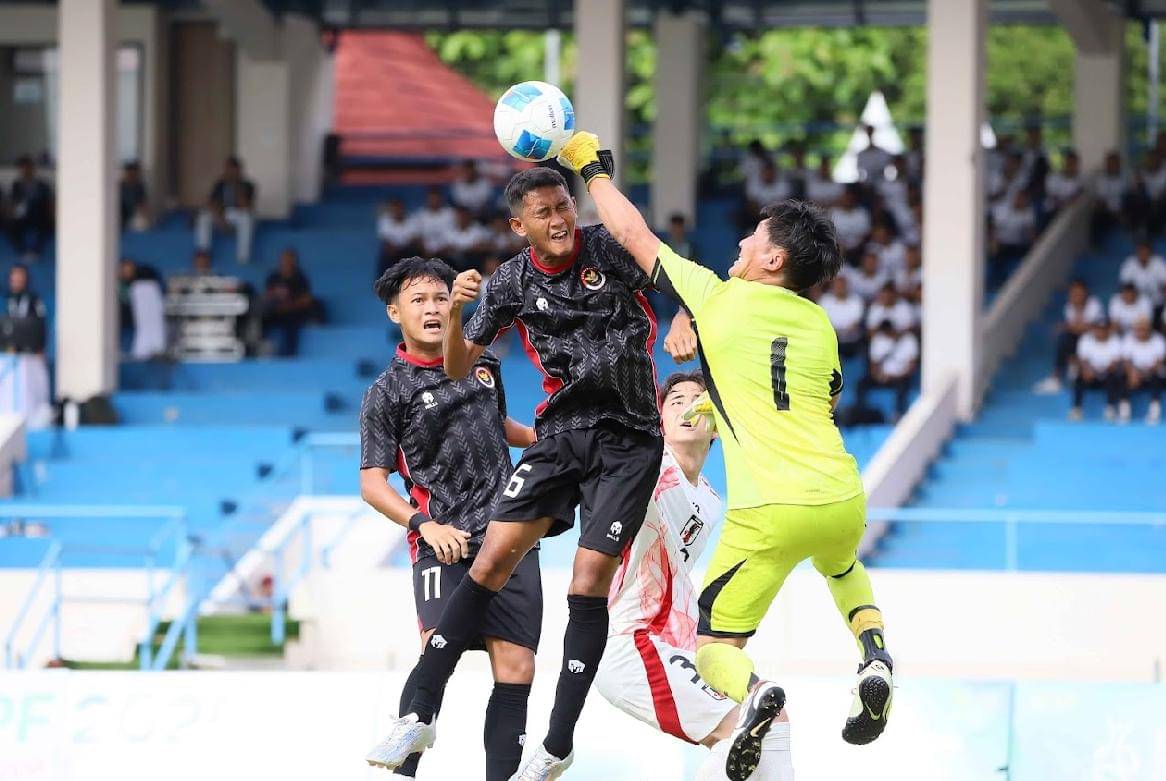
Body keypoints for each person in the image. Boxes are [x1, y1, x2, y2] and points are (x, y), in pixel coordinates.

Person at [559, 131, 892, 780]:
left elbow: (632, 234)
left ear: (772, 258)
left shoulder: (718, 297)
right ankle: (874, 654)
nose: (740, 243)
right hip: (844, 496)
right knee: (841, 562)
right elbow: (810, 404)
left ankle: (755, 693)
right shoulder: (821, 325)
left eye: (752, 237)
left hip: (768, 509)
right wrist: (715, 399)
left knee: (716, 644)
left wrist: (590, 170)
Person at [372, 166, 669, 780]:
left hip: (629, 439)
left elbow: (672, 271)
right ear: (519, 225)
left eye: (564, 205)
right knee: (488, 564)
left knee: (583, 587)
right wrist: (458, 311)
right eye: (543, 212)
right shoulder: (507, 283)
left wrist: (689, 319)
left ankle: (555, 744)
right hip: (557, 443)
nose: (559, 219)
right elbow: (458, 366)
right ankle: (417, 715)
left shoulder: (609, 247)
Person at [361, 257, 540, 780]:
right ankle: (404, 771)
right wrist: (423, 525)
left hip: (509, 534)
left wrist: (545, 439)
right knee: (434, 652)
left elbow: (497, 424)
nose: (434, 308)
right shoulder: (386, 392)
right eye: (419, 300)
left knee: (517, 667)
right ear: (396, 312)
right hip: (446, 540)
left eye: (440, 297)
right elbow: (373, 484)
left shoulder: (485, 364)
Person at [594, 371, 793, 781]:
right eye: (676, 401)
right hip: (631, 640)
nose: (688, 409)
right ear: (659, 420)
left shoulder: (711, 501)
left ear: (717, 426)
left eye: (698, 401)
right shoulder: (646, 465)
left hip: (671, 642)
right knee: (745, 722)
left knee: (769, 721)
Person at [1034, 279, 1104, 394]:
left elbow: (1086, 328)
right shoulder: (1069, 306)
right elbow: (1075, 327)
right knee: (1064, 338)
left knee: (1071, 336)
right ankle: (1055, 379)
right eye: (1073, 292)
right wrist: (1075, 314)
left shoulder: (1094, 304)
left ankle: (1074, 368)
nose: (1076, 295)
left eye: (1078, 292)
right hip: (1078, 337)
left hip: (1095, 339)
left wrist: (1067, 326)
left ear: (1086, 292)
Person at [195, 156, 256, 264]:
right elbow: (211, 203)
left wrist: (237, 186)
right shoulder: (220, 184)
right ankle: (203, 253)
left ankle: (242, 257)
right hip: (221, 214)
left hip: (238, 214)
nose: (230, 173)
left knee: (246, 218)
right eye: (228, 169)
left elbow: (246, 206)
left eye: (233, 170)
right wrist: (219, 218)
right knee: (203, 217)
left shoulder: (248, 185)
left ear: (238, 170)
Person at [262, 248, 321, 356]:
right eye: (284, 259)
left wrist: (289, 306)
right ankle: (260, 351)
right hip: (276, 311)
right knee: (260, 320)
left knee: (291, 324)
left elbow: (306, 299)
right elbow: (267, 296)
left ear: (295, 261)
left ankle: (289, 356)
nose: (287, 262)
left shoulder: (300, 278)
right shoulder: (273, 277)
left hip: (293, 312)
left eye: (290, 259)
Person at [856, 320, 918, 419]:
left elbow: (912, 367)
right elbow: (873, 365)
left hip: (901, 376)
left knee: (903, 386)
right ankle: (860, 414)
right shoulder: (878, 340)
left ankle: (898, 414)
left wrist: (896, 376)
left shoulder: (908, 340)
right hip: (883, 377)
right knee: (861, 384)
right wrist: (879, 376)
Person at [1071, 319, 1124, 422]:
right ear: (1094, 329)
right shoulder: (1085, 339)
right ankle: (1076, 409)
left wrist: (1102, 371)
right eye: (1098, 329)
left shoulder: (1115, 341)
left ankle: (1110, 409)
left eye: (1104, 329)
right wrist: (1087, 370)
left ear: (1109, 330)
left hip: (1107, 374)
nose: (1101, 332)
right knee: (1079, 376)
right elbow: (1082, 360)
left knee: (1114, 376)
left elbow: (1115, 363)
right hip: (1090, 374)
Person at [5, 156, 54, 261]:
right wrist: (12, 212)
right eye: (22, 168)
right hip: (22, 215)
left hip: (39, 214)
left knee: (46, 225)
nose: (25, 171)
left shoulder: (43, 185)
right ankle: (22, 252)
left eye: (28, 168)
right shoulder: (16, 185)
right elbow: (13, 202)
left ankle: (36, 252)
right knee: (9, 225)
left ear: (33, 169)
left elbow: (48, 202)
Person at [1121, 317, 1166, 424]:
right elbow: (1126, 361)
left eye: (1144, 329)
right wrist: (1133, 373)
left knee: (1158, 377)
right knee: (1121, 376)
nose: (1141, 332)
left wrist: (1144, 374)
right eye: (1138, 329)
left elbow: (1159, 362)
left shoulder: (1158, 340)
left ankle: (1154, 411)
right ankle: (1124, 411)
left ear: (1149, 329)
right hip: (1134, 373)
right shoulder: (1128, 339)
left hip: (1151, 372)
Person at [818, 275, 866, 360]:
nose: (840, 288)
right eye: (838, 285)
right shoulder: (825, 300)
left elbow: (855, 325)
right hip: (830, 341)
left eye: (843, 285)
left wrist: (839, 331)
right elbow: (823, 323)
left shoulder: (856, 300)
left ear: (847, 286)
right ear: (833, 287)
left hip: (852, 342)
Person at [1119, 239, 1166, 324]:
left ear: (1151, 252)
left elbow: (1164, 284)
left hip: (1158, 302)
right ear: (1137, 252)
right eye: (1141, 251)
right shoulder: (1129, 263)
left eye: (1146, 252)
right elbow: (1124, 285)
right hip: (1137, 302)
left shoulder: (1159, 263)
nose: (1143, 254)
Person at [377, 197, 421, 277]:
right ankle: (385, 281)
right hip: (392, 253)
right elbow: (386, 241)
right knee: (386, 254)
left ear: (403, 209)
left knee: (414, 251)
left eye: (399, 208)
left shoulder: (412, 221)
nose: (397, 211)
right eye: (394, 209)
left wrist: (402, 247)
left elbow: (414, 240)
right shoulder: (385, 221)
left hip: (407, 252)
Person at [830, 186, 872, 265]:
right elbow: (829, 234)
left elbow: (867, 234)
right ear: (842, 198)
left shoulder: (862, 213)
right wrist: (840, 246)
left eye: (850, 198)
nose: (847, 200)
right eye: (846, 198)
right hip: (838, 249)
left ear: (854, 199)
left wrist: (856, 246)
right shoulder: (834, 213)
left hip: (859, 250)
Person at [411, 187, 457, 256]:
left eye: (436, 199)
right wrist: (423, 248)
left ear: (441, 199)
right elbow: (417, 235)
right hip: (425, 250)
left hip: (446, 250)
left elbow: (456, 233)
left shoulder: (450, 213)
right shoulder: (420, 215)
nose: (434, 201)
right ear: (427, 200)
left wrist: (445, 247)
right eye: (431, 199)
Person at [1045, 150, 1083, 215]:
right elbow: (1053, 197)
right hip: (1053, 211)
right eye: (1068, 163)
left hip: (1071, 212)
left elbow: (1079, 195)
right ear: (1064, 163)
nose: (1070, 166)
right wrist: (1064, 203)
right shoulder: (1053, 177)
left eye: (1073, 163)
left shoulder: (1081, 179)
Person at [119, 160, 149, 231]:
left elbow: (143, 204)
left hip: (133, 218)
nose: (132, 176)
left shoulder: (139, 187)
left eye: (134, 174)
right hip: (120, 216)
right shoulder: (120, 187)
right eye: (130, 174)